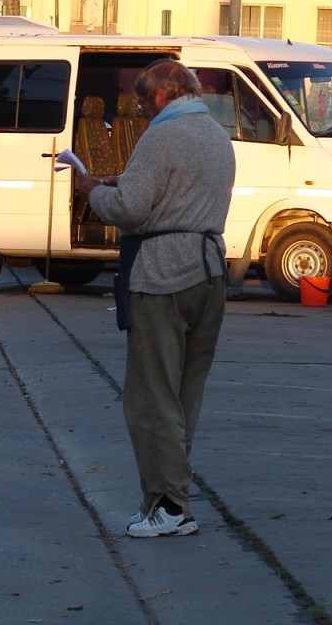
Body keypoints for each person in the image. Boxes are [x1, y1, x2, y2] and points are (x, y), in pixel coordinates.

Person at [78, 59, 236, 538]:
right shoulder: (216, 135)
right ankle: (166, 501)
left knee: (151, 397)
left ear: (163, 97)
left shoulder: (161, 136)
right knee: (186, 395)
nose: (142, 112)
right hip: (210, 270)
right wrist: (123, 185)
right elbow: (173, 193)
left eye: (144, 102)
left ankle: (170, 506)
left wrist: (92, 190)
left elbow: (131, 209)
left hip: (163, 273)